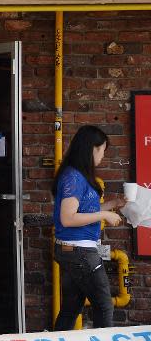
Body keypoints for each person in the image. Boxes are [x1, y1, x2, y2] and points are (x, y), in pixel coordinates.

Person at [52, 125, 125, 330]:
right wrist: (104, 215)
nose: (103, 156)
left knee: (70, 308)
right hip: (80, 252)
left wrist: (113, 205)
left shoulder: (77, 175)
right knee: (104, 306)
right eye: (102, 150)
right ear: (92, 148)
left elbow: (83, 210)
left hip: (73, 250)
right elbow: (68, 218)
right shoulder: (74, 177)